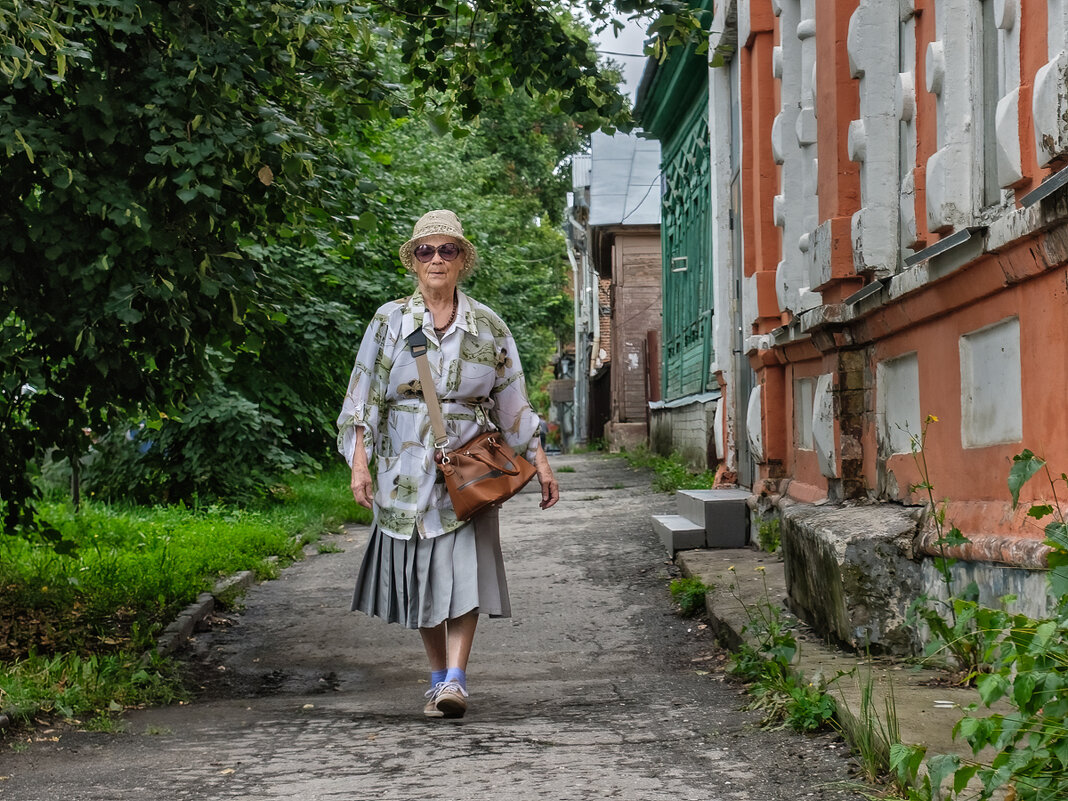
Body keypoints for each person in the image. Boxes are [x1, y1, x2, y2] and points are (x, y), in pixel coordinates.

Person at [337, 209, 560, 719]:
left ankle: (456, 679)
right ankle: (437, 678)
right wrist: (360, 463)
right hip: (403, 468)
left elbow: (514, 402)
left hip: (469, 468)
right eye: (425, 251)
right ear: (413, 263)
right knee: (422, 578)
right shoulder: (389, 321)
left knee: (463, 573)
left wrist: (541, 461)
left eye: (447, 250)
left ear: (463, 261)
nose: (436, 259)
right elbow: (362, 395)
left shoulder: (488, 326)